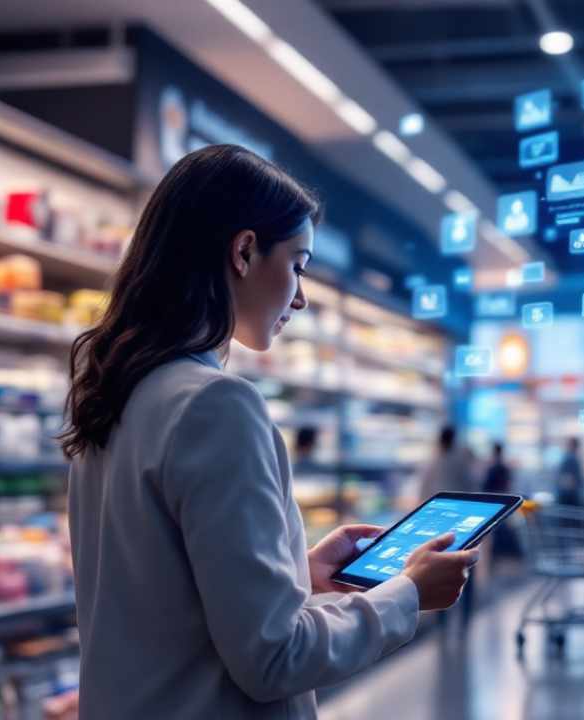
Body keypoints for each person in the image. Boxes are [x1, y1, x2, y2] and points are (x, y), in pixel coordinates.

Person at [62, 145, 477, 719]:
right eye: (298, 266)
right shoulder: (217, 405)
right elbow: (275, 658)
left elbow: (158, 594)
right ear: (244, 251)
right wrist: (407, 594)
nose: (301, 298)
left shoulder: (114, 392)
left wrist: (296, 572)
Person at [417, 425, 473, 501]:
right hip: (453, 499)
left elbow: (425, 484)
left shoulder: (435, 458)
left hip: (440, 499)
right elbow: (469, 482)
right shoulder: (458, 458)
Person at [556, 437, 584, 506]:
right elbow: (568, 479)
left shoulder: (566, 457)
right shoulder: (571, 459)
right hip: (569, 494)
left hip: (566, 493)